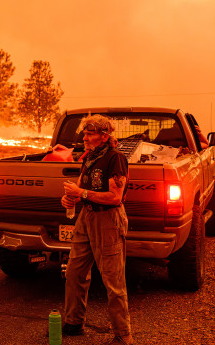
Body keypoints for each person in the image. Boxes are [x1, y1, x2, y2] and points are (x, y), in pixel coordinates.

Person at [61, 114, 133, 345]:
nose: (85, 137)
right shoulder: (90, 158)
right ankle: (74, 321)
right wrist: (69, 198)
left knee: (113, 280)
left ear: (104, 136)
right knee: (74, 271)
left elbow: (115, 197)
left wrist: (80, 194)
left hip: (108, 220)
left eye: (90, 133)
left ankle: (123, 336)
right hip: (87, 216)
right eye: (85, 133)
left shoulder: (116, 158)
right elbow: (81, 187)